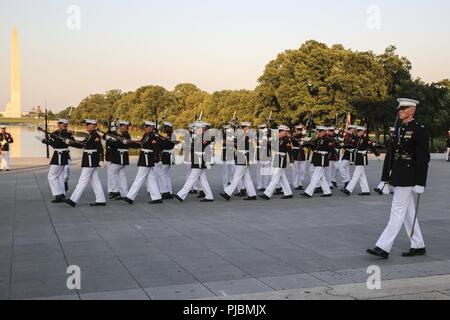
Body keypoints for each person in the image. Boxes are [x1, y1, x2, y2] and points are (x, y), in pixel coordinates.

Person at [368, 98, 430, 259]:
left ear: (412, 110)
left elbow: (423, 158)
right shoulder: (399, 128)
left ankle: (383, 246)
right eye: (400, 109)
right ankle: (418, 244)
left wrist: (420, 182)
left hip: (409, 176)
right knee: (408, 213)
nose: (400, 111)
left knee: (397, 211)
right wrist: (385, 178)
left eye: (404, 109)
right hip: (397, 174)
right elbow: (391, 155)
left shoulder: (419, 129)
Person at [66, 120, 106, 207]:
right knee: (95, 181)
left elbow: (100, 148)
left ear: (94, 125)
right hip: (89, 159)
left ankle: (73, 200)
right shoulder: (90, 134)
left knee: (83, 180)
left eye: (88, 125)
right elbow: (82, 144)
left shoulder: (95, 135)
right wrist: (70, 142)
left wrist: (101, 159)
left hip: (90, 160)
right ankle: (101, 200)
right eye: (86, 124)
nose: (86, 126)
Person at [123, 121, 163, 205]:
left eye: (148, 126)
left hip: (147, 158)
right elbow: (140, 143)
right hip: (145, 157)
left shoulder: (154, 136)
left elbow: (157, 148)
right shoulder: (146, 135)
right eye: (146, 126)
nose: (146, 128)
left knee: (139, 178)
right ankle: (157, 197)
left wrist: (157, 158)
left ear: (152, 127)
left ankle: (130, 197)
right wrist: (129, 142)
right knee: (151, 179)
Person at [175, 122, 214, 202]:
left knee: (191, 178)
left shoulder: (205, 137)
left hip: (200, 160)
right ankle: (209, 196)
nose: (195, 130)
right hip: (197, 160)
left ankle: (181, 195)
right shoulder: (197, 137)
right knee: (203, 180)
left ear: (202, 129)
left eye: (197, 129)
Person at [220, 122, 257, 201]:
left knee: (236, 177)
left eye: (244, 128)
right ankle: (252, 194)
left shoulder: (247, 136)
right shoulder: (243, 136)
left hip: (243, 158)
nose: (244, 129)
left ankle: (228, 193)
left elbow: (249, 148)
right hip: (241, 158)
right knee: (247, 178)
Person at [42, 119, 75, 203]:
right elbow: (55, 144)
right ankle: (61, 195)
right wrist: (47, 140)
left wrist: (48, 142)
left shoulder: (68, 134)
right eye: (62, 124)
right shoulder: (55, 133)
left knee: (51, 176)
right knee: (59, 176)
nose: (63, 125)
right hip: (58, 155)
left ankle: (59, 193)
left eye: (64, 124)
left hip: (60, 156)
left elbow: (60, 144)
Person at [341, 126, 380, 196]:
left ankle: (348, 189)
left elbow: (371, 146)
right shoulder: (357, 138)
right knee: (362, 175)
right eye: (357, 131)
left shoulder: (365, 139)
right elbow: (352, 144)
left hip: (362, 157)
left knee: (356, 174)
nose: (358, 133)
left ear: (362, 132)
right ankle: (366, 190)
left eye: (359, 131)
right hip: (358, 157)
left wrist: (376, 153)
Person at [259, 125, 293, 200]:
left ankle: (267, 194)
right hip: (276, 158)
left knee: (275, 177)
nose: (284, 133)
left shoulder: (286, 140)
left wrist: (291, 161)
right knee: (282, 177)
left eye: (284, 131)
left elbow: (290, 151)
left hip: (281, 159)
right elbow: (273, 147)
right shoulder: (277, 139)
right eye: (283, 131)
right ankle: (288, 193)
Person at [302, 126, 335, 198]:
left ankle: (308, 192)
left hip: (323, 159)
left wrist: (331, 158)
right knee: (321, 177)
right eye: (318, 132)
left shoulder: (327, 139)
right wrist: (308, 143)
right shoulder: (318, 139)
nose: (318, 133)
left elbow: (331, 149)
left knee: (316, 175)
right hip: (318, 158)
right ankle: (327, 192)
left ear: (324, 132)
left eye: (320, 132)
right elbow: (314, 147)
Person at [105, 121, 132, 200]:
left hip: (120, 157)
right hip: (121, 157)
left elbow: (117, 144)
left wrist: (109, 140)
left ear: (125, 127)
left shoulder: (126, 135)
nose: (120, 128)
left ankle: (115, 191)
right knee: (121, 176)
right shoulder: (123, 135)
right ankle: (124, 193)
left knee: (111, 172)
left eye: (121, 126)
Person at [158, 122, 177, 200]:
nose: (164, 129)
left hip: (167, 155)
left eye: (165, 128)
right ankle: (169, 191)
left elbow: (164, 144)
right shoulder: (170, 135)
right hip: (167, 155)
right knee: (166, 174)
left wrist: (159, 138)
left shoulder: (171, 136)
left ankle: (165, 191)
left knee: (162, 174)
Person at [375, 127, 396, 195]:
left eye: (392, 132)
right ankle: (384, 188)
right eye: (391, 132)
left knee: (390, 174)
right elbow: (385, 146)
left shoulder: (396, 141)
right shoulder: (389, 140)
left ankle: (382, 188)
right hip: (388, 158)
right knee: (386, 172)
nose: (391, 134)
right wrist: (378, 145)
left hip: (393, 158)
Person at [103, 121, 118, 197]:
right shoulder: (108, 134)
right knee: (109, 174)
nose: (113, 128)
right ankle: (110, 190)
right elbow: (103, 137)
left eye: (113, 127)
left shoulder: (117, 135)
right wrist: (108, 131)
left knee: (112, 174)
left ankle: (114, 190)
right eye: (112, 127)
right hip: (108, 156)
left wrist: (110, 135)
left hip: (113, 156)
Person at [292, 125, 307, 191]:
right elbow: (295, 139)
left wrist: (304, 137)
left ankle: (300, 184)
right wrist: (302, 138)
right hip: (296, 153)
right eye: (298, 130)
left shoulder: (304, 136)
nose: (299, 131)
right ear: (296, 130)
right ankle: (295, 184)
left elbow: (307, 143)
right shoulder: (294, 137)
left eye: (300, 130)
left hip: (302, 153)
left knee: (302, 170)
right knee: (296, 170)